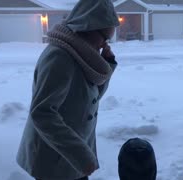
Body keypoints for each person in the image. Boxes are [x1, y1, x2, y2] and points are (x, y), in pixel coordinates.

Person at [16, 0, 120, 180]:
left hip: (71, 158)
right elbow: (42, 113)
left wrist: (107, 65)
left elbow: (90, 98)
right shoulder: (60, 57)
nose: (105, 45)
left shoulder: (83, 54)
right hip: (54, 161)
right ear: (88, 27)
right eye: (105, 38)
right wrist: (80, 155)